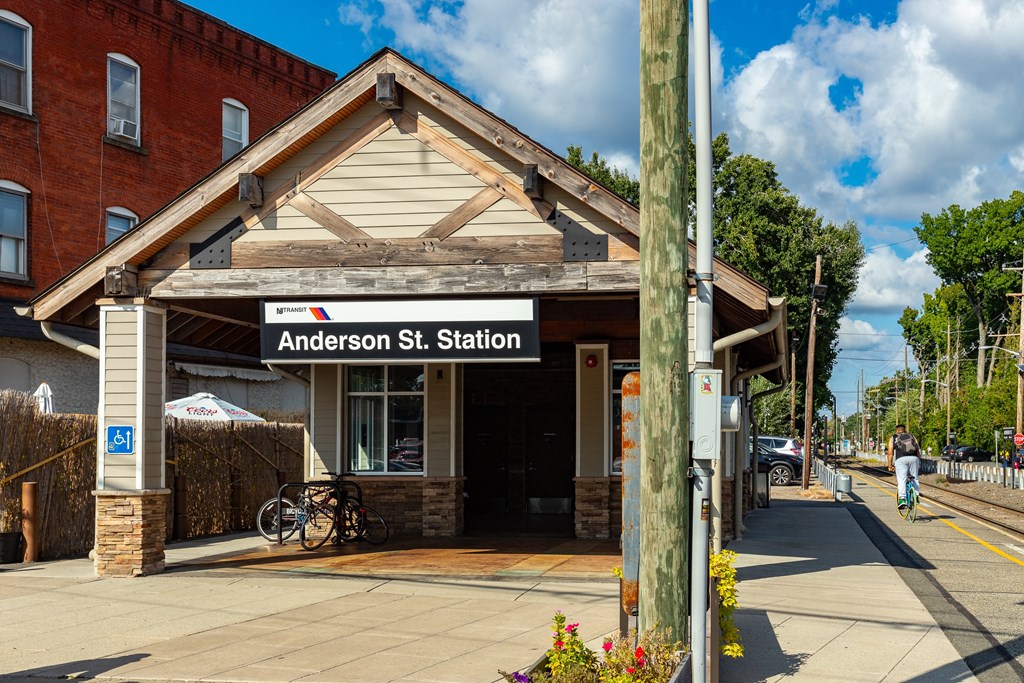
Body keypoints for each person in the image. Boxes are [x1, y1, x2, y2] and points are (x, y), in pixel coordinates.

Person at [887, 424, 921, 510]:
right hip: (914, 458)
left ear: (896, 430)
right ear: (904, 430)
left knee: (902, 479)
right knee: (915, 478)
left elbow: (890, 453)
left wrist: (890, 465)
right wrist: (919, 460)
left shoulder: (893, 438)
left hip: (901, 459)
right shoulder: (911, 436)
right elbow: (917, 449)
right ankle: (916, 496)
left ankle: (902, 499)